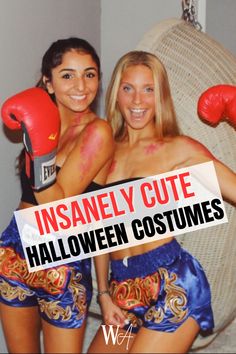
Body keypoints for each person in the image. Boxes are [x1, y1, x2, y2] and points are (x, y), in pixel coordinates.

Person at [88, 50, 236, 353]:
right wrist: (103, 293)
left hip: (173, 288)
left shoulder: (179, 149)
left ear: (160, 97)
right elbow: (98, 232)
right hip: (123, 293)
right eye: (128, 88)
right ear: (116, 93)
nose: (137, 101)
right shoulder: (103, 153)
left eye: (148, 89)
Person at [0, 37, 114, 353]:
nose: (81, 85)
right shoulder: (43, 119)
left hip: (61, 257)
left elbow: (57, 206)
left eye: (90, 74)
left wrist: (38, 151)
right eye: (68, 75)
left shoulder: (98, 132)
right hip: (15, 249)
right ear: (48, 83)